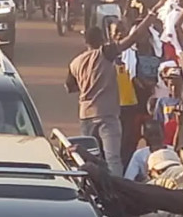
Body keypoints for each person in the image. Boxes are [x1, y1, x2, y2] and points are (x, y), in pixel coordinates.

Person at [66, 12, 157, 176]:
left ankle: (92, 187)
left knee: (90, 156)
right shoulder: (105, 53)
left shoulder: (75, 62)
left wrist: (89, 82)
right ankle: (117, 191)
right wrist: (150, 16)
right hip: (106, 114)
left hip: (85, 115)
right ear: (102, 40)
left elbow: (69, 87)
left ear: (86, 41)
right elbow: (134, 36)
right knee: (112, 158)